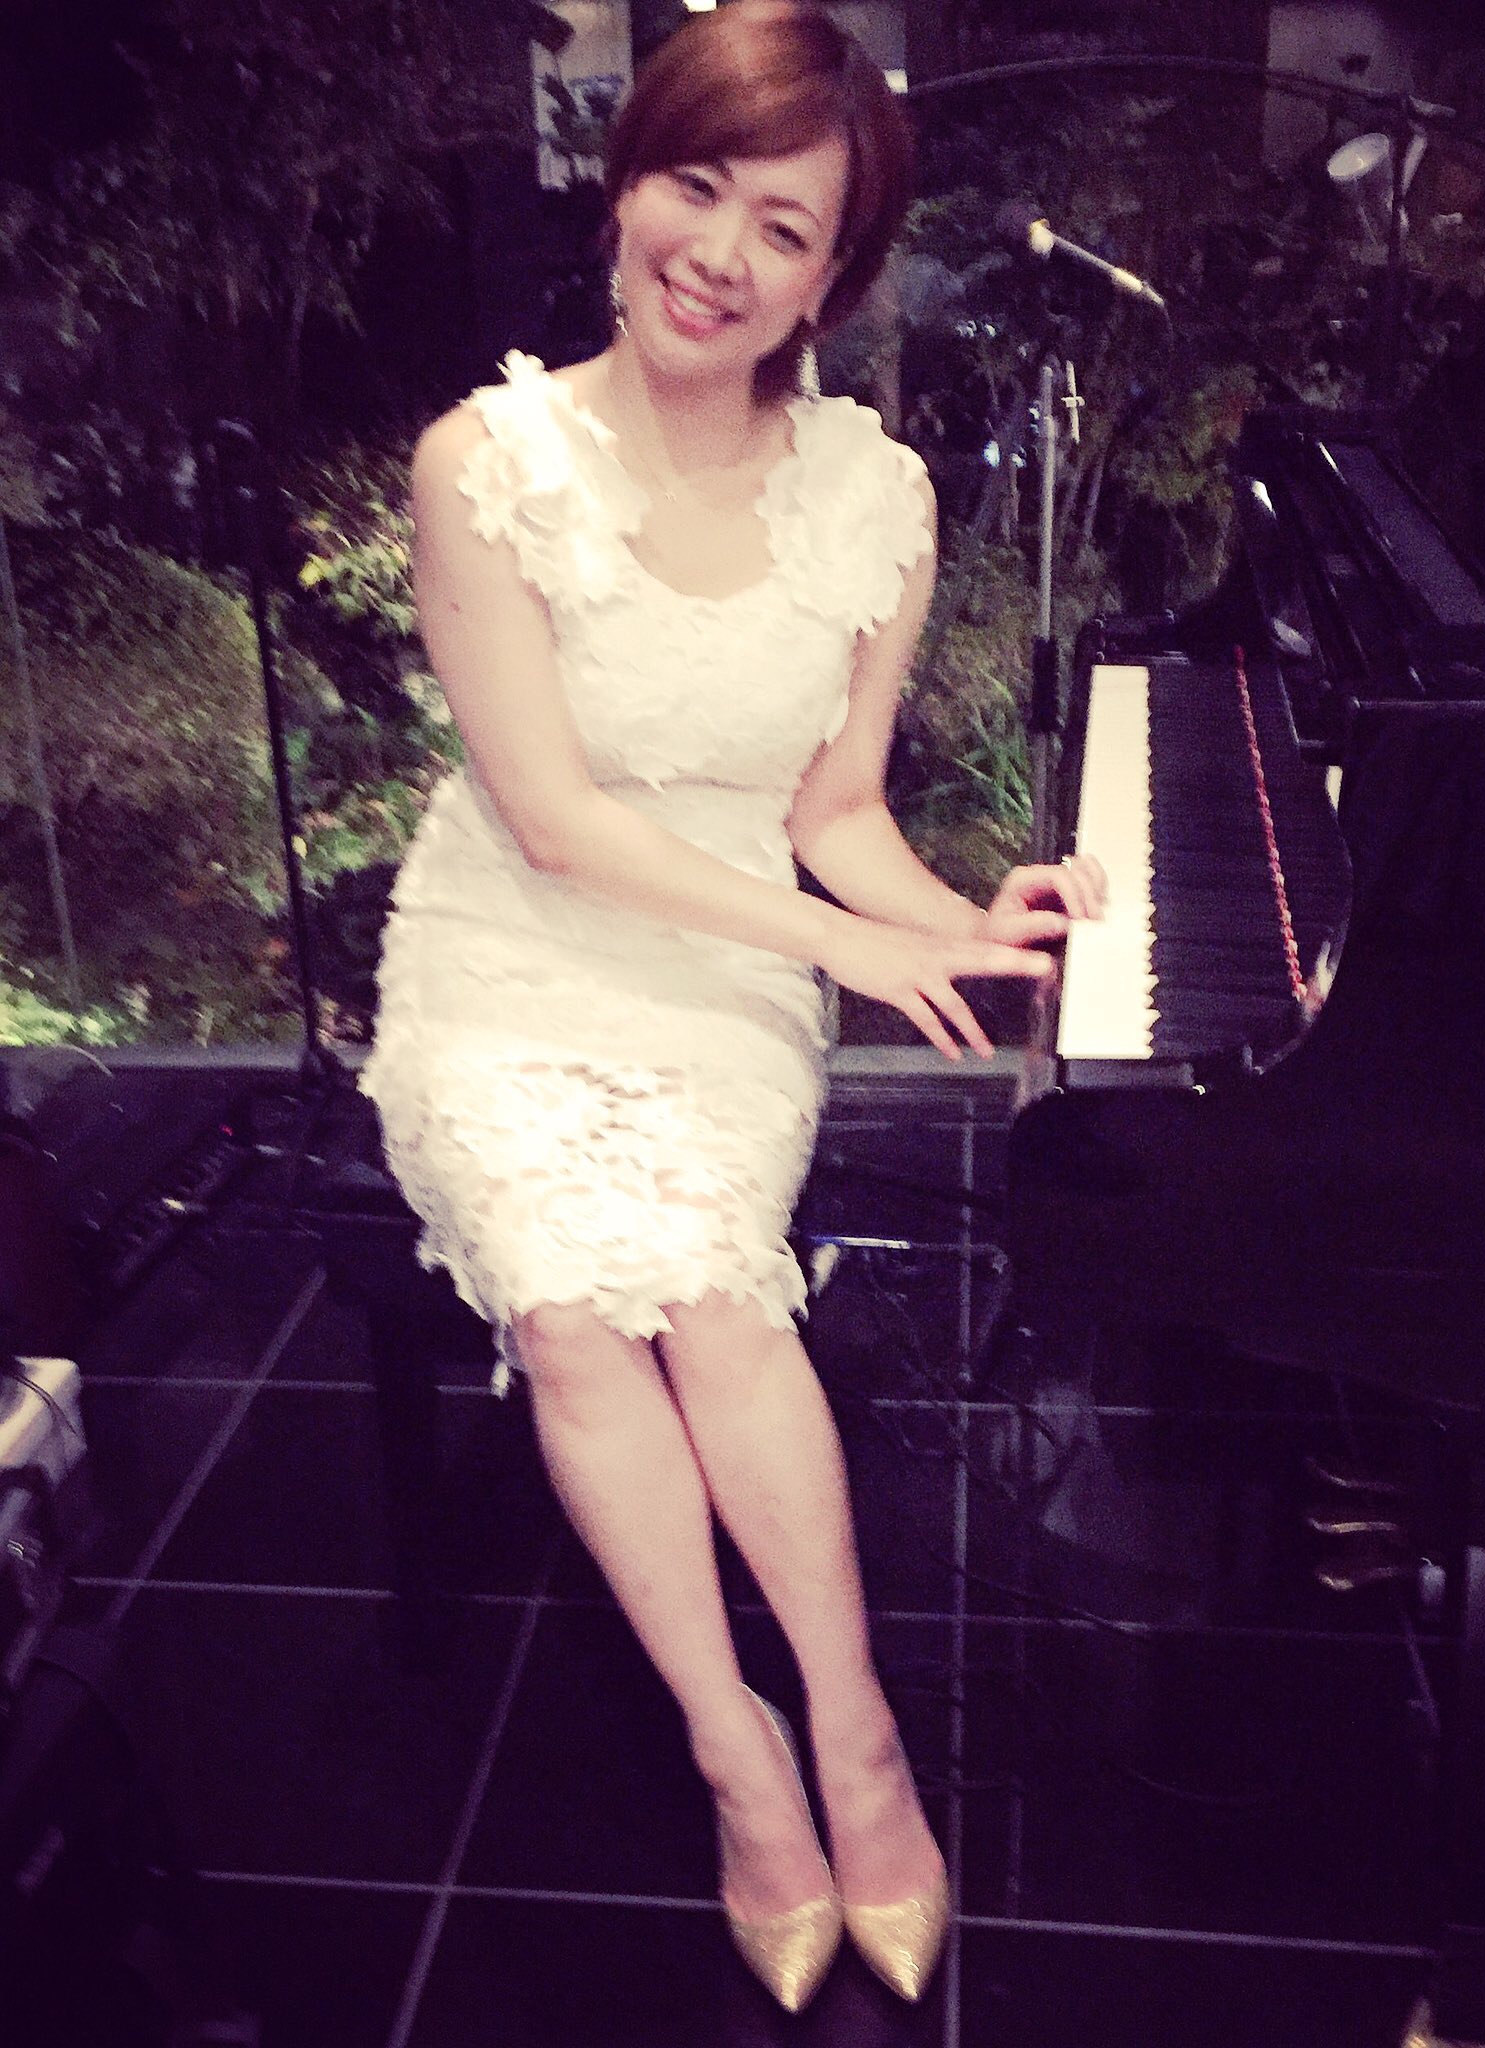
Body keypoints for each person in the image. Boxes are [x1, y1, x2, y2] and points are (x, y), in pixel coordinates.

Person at [358, 0, 1104, 2015]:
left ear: (833, 281)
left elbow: (833, 814)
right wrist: (840, 946)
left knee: (706, 1292)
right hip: (512, 944)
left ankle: (855, 1734)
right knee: (571, 1308)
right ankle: (736, 1750)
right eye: (696, 186)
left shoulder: (874, 498)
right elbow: (552, 817)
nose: (721, 253)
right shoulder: (488, 466)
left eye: (786, 229)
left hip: (725, 968)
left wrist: (954, 921)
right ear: (625, 183)